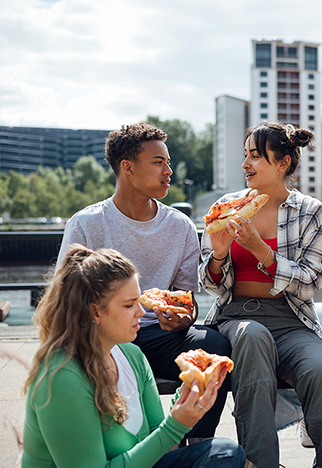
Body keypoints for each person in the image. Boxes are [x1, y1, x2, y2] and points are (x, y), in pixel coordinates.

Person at [200, 122, 322, 468]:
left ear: (283, 163)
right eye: (245, 155)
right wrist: (219, 253)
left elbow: (313, 281)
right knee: (252, 337)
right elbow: (210, 284)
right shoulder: (227, 207)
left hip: (292, 319)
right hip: (236, 317)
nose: (246, 164)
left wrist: (260, 250)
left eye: (255, 156)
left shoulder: (311, 212)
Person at [21, 245, 245, 468]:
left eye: (138, 302)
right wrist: (175, 426)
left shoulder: (132, 356)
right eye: (129, 305)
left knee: (226, 453)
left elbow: (161, 447)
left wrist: (184, 404)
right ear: (95, 311)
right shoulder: (62, 377)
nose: (142, 312)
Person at [56, 122, 231, 441]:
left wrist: (180, 319)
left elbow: (185, 300)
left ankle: (195, 444)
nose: (169, 171)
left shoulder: (180, 227)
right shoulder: (87, 224)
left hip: (157, 336)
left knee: (214, 346)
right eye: (158, 162)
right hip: (103, 337)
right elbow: (66, 301)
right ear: (127, 167)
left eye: (168, 163)